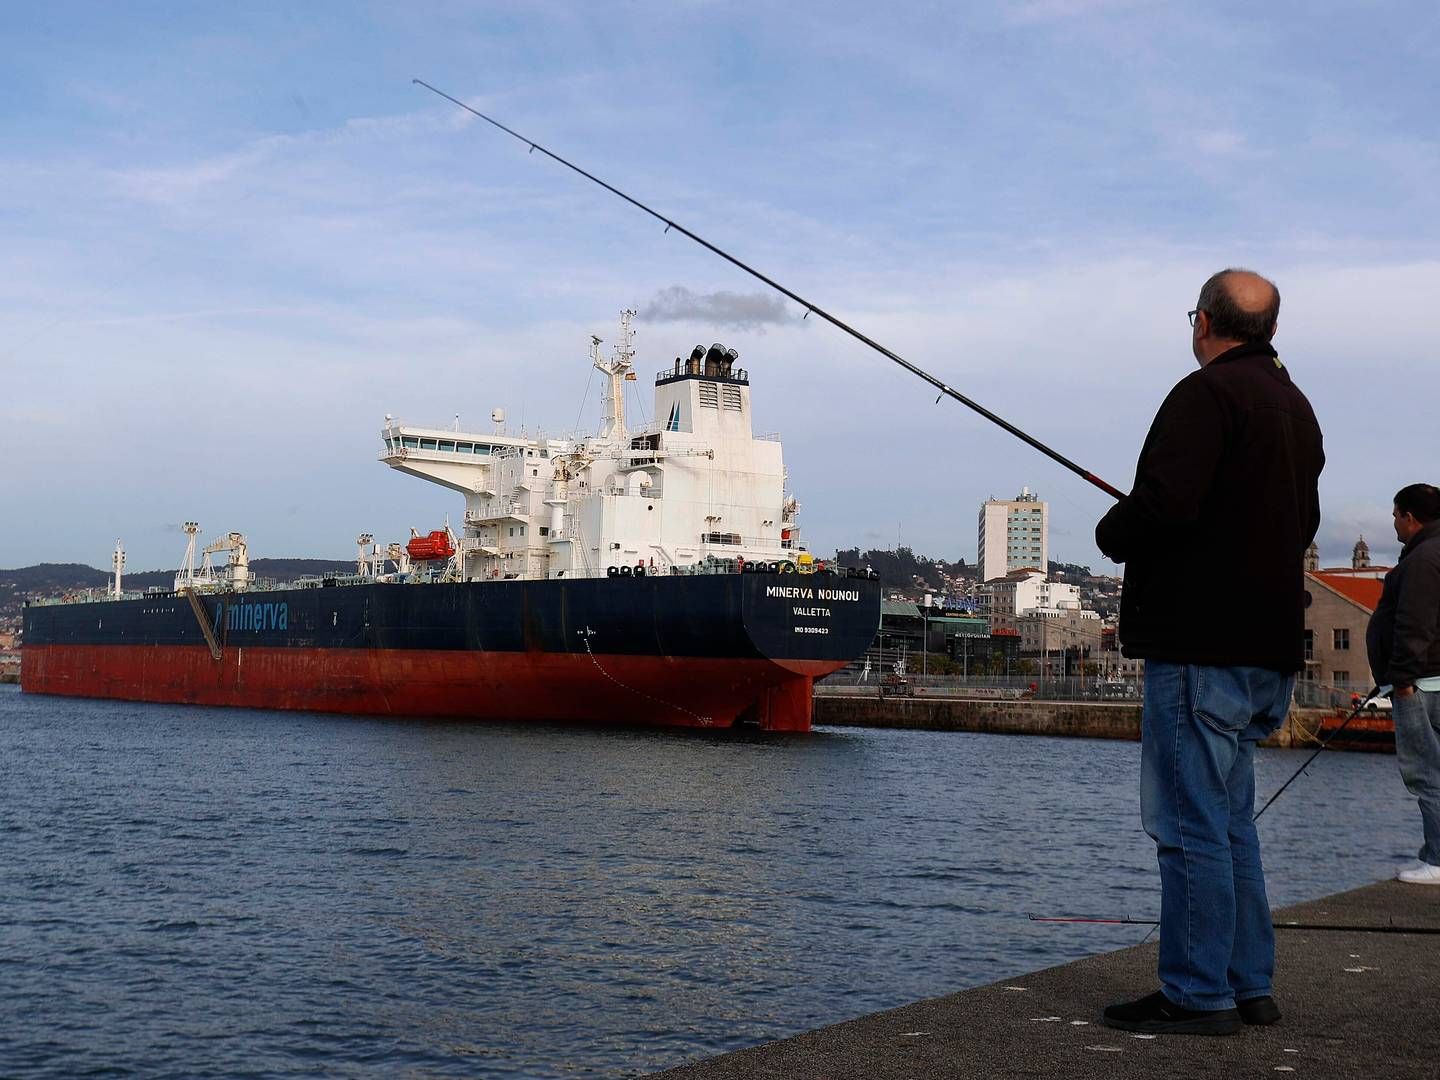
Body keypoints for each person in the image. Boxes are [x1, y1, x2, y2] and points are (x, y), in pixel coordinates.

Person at [1094, 269, 1325, 1035]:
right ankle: (1247, 985)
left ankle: (1198, 995)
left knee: (1189, 824)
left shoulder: (1205, 396)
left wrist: (1113, 530)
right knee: (1231, 823)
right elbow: (1303, 519)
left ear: (1204, 323)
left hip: (1200, 646)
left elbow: (1167, 506)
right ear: (1271, 331)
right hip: (1267, 650)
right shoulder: (1295, 408)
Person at [1366, 483, 1440, 883]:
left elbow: (1413, 621)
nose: (1393, 523)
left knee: (1425, 770)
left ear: (1410, 517)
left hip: (1421, 682)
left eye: (1395, 515)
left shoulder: (1424, 559)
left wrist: (1403, 680)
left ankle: (1438, 858)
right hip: (1430, 678)